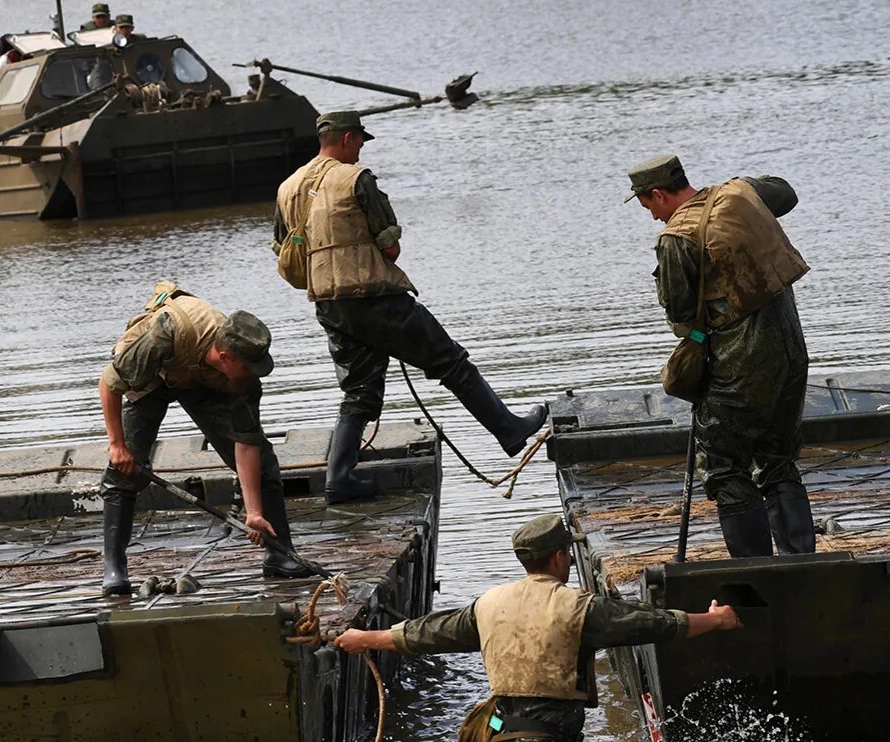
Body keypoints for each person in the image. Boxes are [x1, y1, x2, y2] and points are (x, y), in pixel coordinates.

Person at [273, 111, 548, 504]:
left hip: (328, 304)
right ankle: (509, 430)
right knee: (451, 363)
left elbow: (282, 250)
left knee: (359, 392)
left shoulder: (288, 187)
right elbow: (390, 245)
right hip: (375, 298)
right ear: (348, 138)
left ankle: (339, 478)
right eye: (361, 142)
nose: (362, 149)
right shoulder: (356, 178)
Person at [335, 514, 744, 741]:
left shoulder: (488, 604)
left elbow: (428, 633)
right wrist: (717, 619)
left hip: (498, 732)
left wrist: (362, 638)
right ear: (560, 558)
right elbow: (653, 625)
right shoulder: (580, 607)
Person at [626, 155, 815, 558]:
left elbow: (679, 313)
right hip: (791, 348)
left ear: (658, 194)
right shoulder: (741, 194)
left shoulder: (677, 237)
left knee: (727, 466)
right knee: (779, 459)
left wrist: (697, 338)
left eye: (649, 207)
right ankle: (801, 560)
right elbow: (785, 193)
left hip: (740, 363)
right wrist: (742, 185)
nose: (654, 218)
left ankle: (754, 569)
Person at [97, 282, 316, 595]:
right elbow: (109, 384)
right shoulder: (166, 334)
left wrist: (253, 513)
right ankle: (114, 569)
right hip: (155, 377)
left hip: (204, 381)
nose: (253, 374)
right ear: (225, 356)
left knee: (264, 462)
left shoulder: (242, 379)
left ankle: (279, 553)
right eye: (247, 368)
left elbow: (245, 442)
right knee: (125, 470)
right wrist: (117, 446)